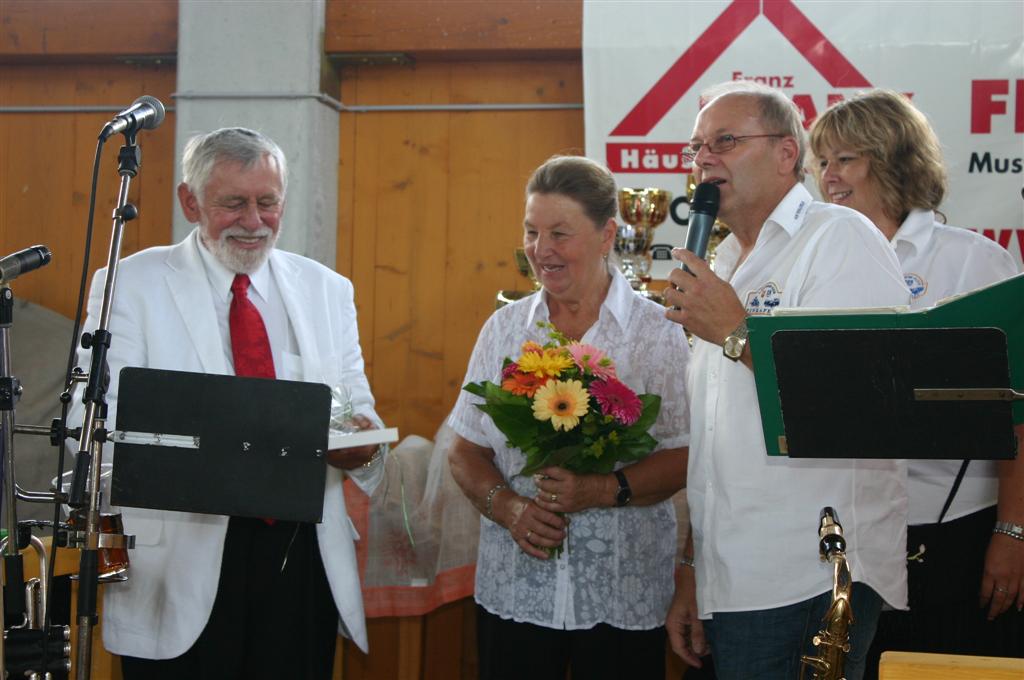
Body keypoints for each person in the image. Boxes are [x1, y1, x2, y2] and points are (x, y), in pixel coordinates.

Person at [68, 127, 385, 678]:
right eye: (233, 203)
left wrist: (363, 443)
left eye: (268, 203)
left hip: (299, 552)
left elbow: (359, 409)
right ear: (190, 202)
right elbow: (91, 423)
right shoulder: (130, 284)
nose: (254, 221)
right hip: (180, 560)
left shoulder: (326, 289)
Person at [662, 82, 911, 680]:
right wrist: (695, 571)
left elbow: (860, 396)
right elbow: (718, 444)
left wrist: (736, 331)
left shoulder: (837, 238)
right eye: (696, 148)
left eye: (725, 141)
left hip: (808, 573)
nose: (704, 160)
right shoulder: (722, 264)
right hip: (734, 575)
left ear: (785, 153)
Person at [448, 155, 691, 680]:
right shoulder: (504, 329)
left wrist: (601, 490)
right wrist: (508, 507)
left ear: (607, 235)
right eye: (532, 232)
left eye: (560, 233)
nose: (541, 250)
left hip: (623, 596)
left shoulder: (658, 332)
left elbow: (687, 456)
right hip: (517, 590)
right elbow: (465, 448)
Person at [809, 90, 1024, 672]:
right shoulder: (814, 261)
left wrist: (1013, 532)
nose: (828, 177)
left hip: (956, 535)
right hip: (844, 536)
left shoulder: (973, 262)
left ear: (894, 160)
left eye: (845, 159)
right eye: (821, 162)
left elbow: (1019, 416)